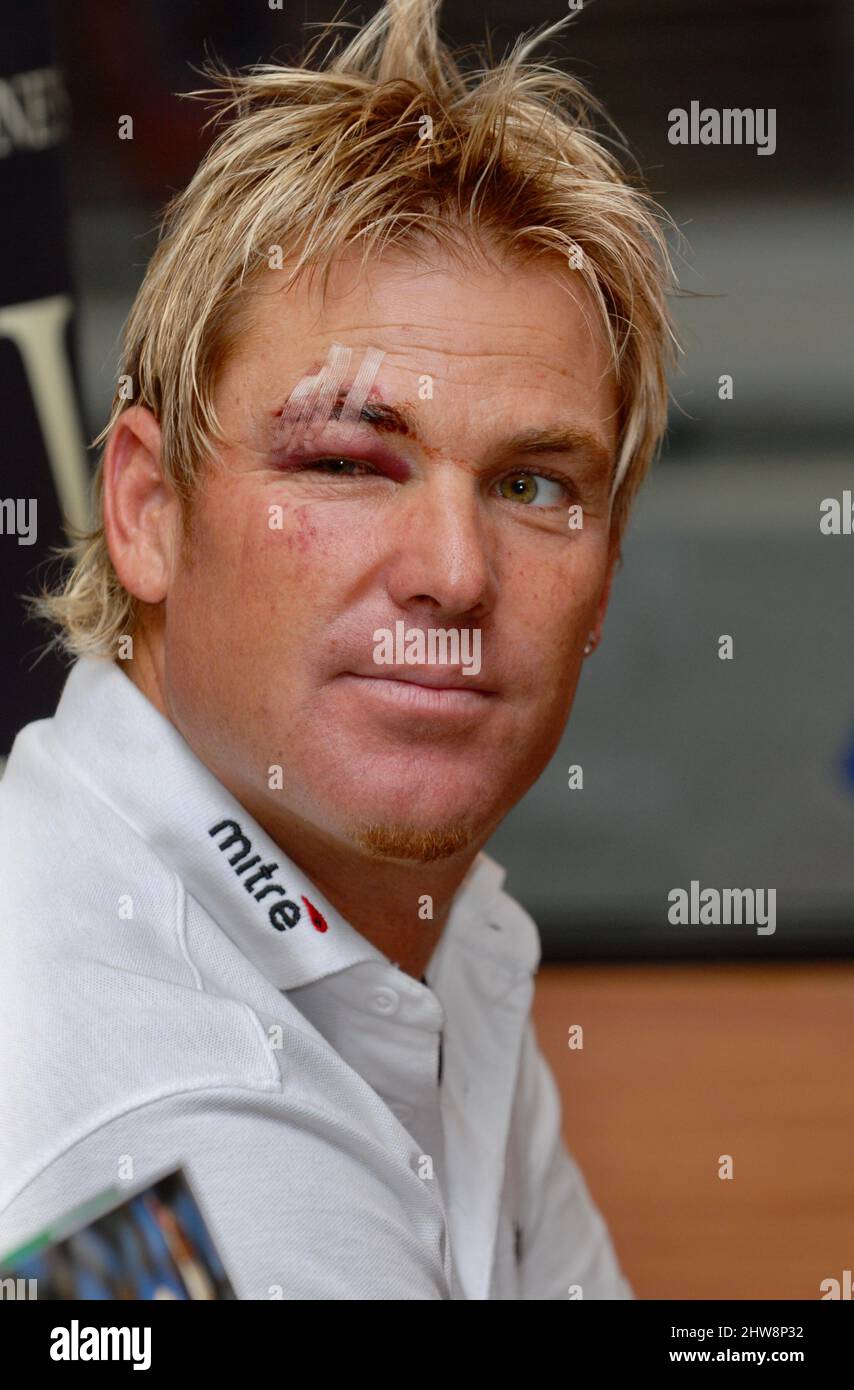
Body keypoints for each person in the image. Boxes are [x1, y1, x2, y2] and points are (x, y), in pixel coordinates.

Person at [0, 0, 675, 1298]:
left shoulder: (405, 918)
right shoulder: (166, 1138)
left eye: (533, 486)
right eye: (346, 462)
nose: (453, 570)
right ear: (146, 510)